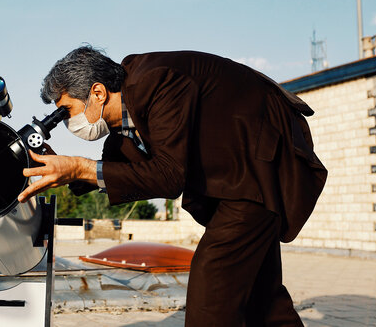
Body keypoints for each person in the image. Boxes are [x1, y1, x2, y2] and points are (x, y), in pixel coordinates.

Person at [17, 45, 327, 326]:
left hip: (260, 167)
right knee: (264, 299)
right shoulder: (123, 127)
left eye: (67, 111)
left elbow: (168, 176)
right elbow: (114, 173)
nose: (69, 123)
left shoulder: (156, 83)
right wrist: (62, 171)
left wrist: (78, 168)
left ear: (98, 93)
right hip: (242, 179)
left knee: (213, 281)